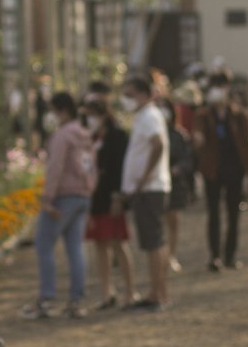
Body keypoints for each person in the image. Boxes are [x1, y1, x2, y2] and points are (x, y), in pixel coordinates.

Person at [23, 92, 94, 319]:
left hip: (62, 196)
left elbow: (56, 168)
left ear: (61, 110)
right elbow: (92, 166)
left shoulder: (62, 136)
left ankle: (46, 298)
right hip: (82, 195)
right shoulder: (83, 133)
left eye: (52, 110)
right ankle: (76, 299)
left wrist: (47, 198)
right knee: (75, 247)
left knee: (44, 244)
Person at [117, 74, 171, 311]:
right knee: (152, 242)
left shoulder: (149, 116)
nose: (126, 100)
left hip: (149, 188)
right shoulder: (144, 116)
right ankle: (156, 291)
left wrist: (143, 178)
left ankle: (157, 294)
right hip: (146, 187)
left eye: (129, 95)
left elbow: (158, 145)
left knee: (153, 242)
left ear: (143, 94)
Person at [192, 74, 248, 271]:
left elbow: (247, 145)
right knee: (213, 213)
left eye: (221, 87)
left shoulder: (238, 115)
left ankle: (230, 255)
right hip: (212, 171)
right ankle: (215, 256)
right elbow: (198, 135)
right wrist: (198, 141)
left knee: (233, 214)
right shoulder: (204, 115)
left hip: (234, 170)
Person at [81, 96, 135, 310]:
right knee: (99, 245)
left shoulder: (118, 136)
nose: (90, 119)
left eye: (93, 114)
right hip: (95, 198)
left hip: (111, 197)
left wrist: (118, 196)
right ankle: (106, 291)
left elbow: (121, 168)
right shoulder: (90, 138)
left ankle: (130, 291)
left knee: (118, 243)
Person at [163, 83, 199, 274]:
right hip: (158, 183)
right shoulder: (153, 133)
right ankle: (161, 254)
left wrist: (177, 169)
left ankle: (171, 254)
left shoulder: (179, 135)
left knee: (173, 220)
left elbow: (187, 159)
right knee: (160, 221)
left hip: (175, 183)